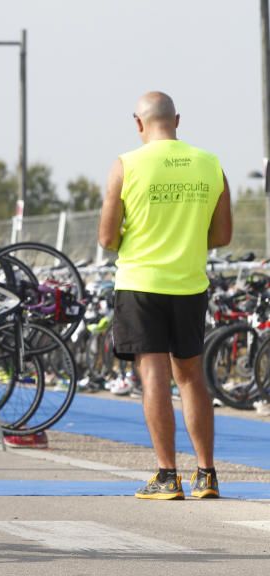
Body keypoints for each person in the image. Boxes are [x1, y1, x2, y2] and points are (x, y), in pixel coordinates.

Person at [98, 91, 232, 501]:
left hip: (140, 283)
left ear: (139, 123)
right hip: (190, 284)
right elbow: (223, 235)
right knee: (191, 377)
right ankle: (206, 474)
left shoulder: (127, 165)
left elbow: (106, 238)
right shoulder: (210, 163)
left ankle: (167, 475)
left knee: (153, 375)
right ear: (177, 120)